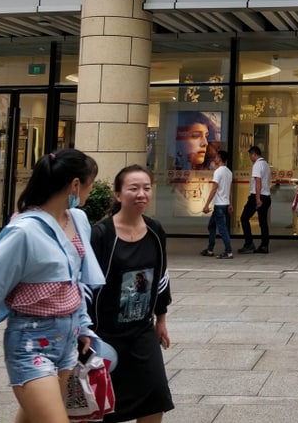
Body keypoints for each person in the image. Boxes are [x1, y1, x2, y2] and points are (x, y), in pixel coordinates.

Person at [0, 149, 107, 423]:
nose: (91, 190)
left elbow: (76, 280)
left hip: (68, 340)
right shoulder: (23, 231)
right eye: (91, 183)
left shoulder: (77, 220)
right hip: (30, 343)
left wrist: (83, 326)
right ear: (75, 185)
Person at [89, 165, 174, 423]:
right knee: (100, 405)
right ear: (118, 194)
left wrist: (161, 319)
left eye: (146, 188)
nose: (141, 194)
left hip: (141, 330)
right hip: (104, 334)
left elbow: (161, 276)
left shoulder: (155, 230)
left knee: (155, 396)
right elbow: (86, 287)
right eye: (133, 188)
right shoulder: (101, 234)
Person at [238, 145, 272, 254]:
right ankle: (264, 245)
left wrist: (257, 198)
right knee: (263, 222)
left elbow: (258, 181)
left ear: (254, 154)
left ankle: (249, 243)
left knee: (244, 218)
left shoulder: (257, 165)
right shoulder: (266, 164)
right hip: (266, 196)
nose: (250, 158)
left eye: (250, 156)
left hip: (257, 196)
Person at [201, 149, 234, 259]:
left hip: (219, 204)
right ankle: (210, 249)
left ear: (219, 159)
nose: (214, 159)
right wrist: (230, 204)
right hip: (225, 204)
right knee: (211, 226)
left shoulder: (218, 172)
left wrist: (206, 204)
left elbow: (214, 189)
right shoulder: (229, 172)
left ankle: (228, 252)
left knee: (222, 229)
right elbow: (230, 190)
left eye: (216, 157)